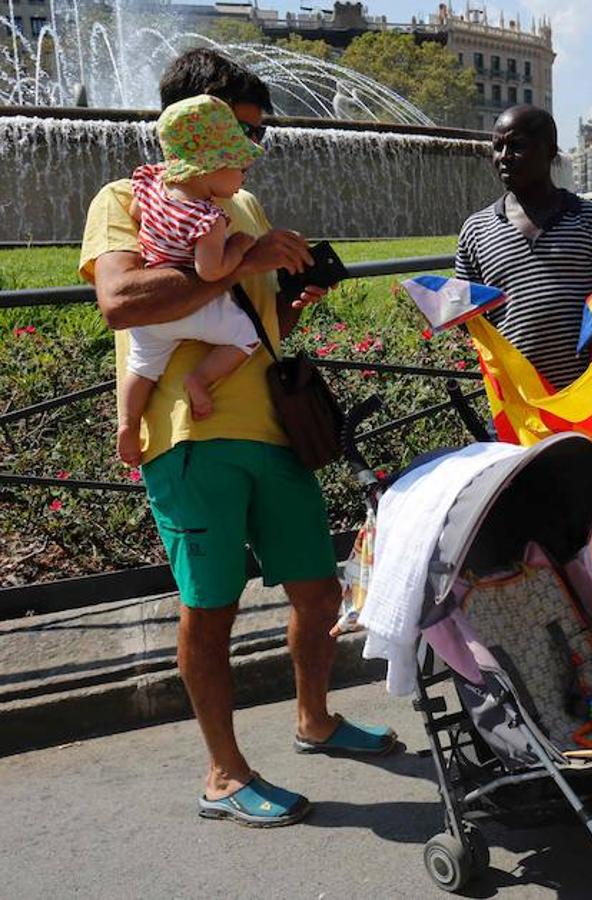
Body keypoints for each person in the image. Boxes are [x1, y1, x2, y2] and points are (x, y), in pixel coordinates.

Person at [79, 49, 393, 829]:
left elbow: (259, 325)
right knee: (210, 608)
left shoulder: (243, 205)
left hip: (275, 432)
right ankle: (224, 774)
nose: (253, 147)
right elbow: (121, 300)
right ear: (193, 123)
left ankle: (316, 720)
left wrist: (293, 295)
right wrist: (241, 262)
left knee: (317, 590)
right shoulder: (124, 197)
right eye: (243, 129)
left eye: (260, 133)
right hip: (189, 436)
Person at [117, 94, 265, 466]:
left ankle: (127, 423)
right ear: (208, 168)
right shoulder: (208, 219)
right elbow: (210, 271)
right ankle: (200, 381)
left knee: (141, 367)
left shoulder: (150, 184)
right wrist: (239, 248)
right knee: (247, 336)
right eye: (238, 168)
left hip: (152, 312)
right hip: (194, 307)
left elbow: (136, 212)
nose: (244, 175)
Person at [454, 104, 592, 391]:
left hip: (589, 396)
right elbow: (471, 321)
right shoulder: (476, 230)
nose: (504, 157)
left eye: (516, 146)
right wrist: (447, 309)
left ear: (549, 151)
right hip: (517, 403)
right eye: (497, 147)